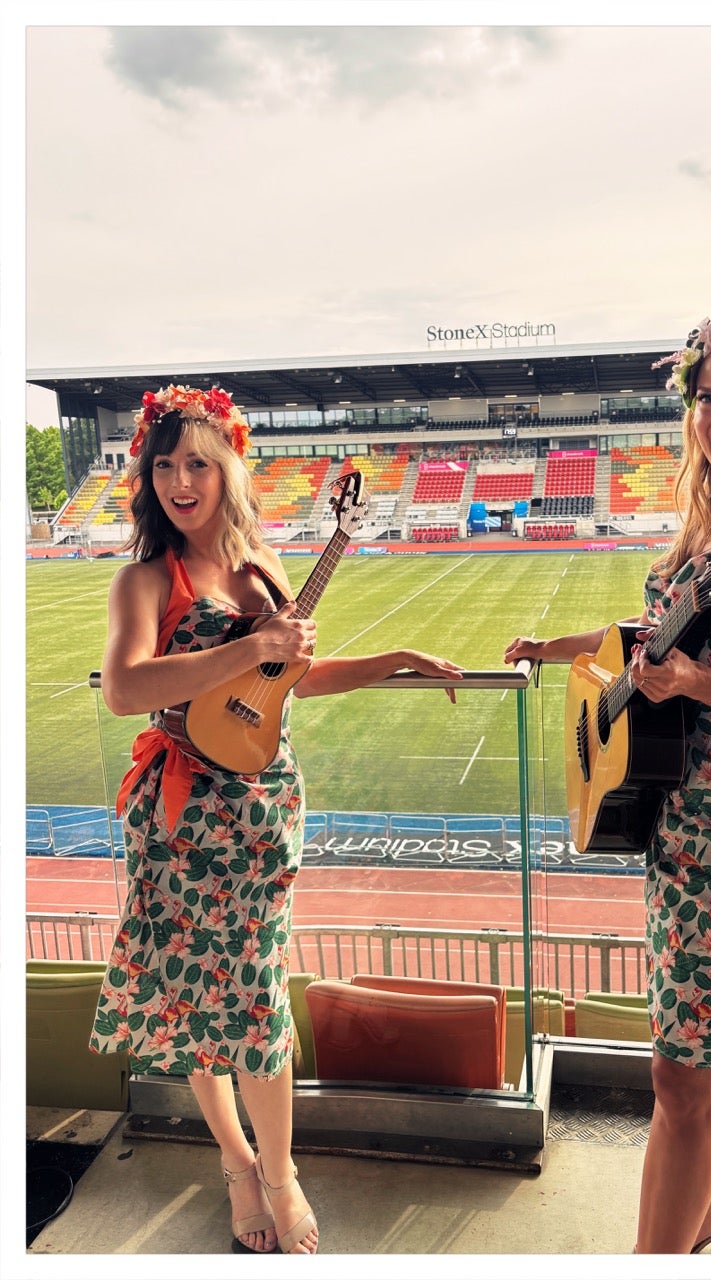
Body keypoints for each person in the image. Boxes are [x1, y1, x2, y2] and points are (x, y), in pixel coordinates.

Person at [89, 384, 462, 1255]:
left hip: (263, 813)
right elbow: (125, 688)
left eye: (198, 463)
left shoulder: (262, 567)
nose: (180, 482)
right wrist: (252, 644)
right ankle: (244, 1166)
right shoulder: (145, 579)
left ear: (229, 471)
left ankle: (278, 1169)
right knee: (196, 997)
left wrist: (392, 660)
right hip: (180, 820)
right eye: (165, 465)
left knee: (254, 991)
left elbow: (287, 679)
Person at [504, 305, 711, 1254]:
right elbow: (650, 638)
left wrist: (693, 683)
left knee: (679, 1078)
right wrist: (560, 648)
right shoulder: (710, 521)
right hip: (676, 816)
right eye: (709, 399)